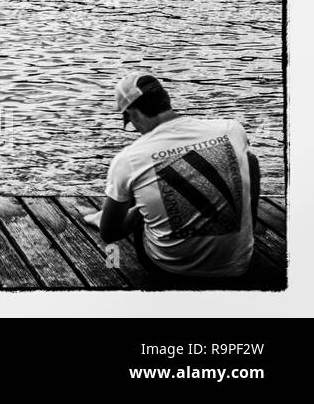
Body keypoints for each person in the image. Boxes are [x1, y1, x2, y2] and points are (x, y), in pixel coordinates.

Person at [96, 74, 259, 287]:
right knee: (250, 159)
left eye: (128, 120)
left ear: (132, 112)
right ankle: (247, 226)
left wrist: (137, 213)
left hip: (173, 272)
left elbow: (109, 234)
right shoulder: (231, 129)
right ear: (166, 101)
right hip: (238, 265)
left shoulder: (129, 159)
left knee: (138, 194)